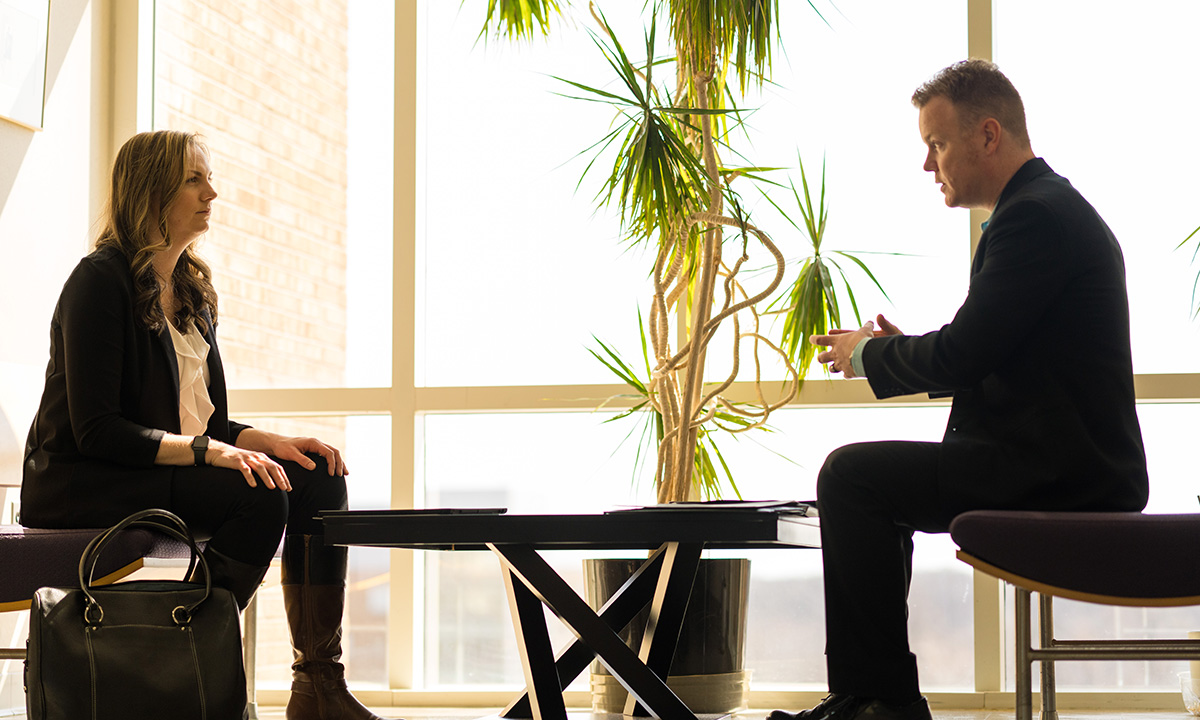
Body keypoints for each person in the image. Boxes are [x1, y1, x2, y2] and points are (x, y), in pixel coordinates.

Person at [769, 60, 1149, 720]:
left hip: (1059, 473)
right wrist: (900, 349)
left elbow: (967, 352)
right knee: (868, 482)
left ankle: (876, 702)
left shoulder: (1033, 220)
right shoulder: (1045, 210)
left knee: (854, 478)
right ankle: (876, 699)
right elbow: (992, 356)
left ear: (989, 135)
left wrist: (871, 356)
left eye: (936, 144)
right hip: (1060, 461)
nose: (927, 165)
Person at [21, 130, 395, 720]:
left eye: (207, 178)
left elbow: (205, 422)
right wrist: (210, 453)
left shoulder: (191, 290)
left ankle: (316, 684)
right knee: (258, 496)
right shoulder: (98, 282)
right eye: (194, 179)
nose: (211, 192)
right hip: (86, 479)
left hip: (150, 468)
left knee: (316, 478)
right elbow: (97, 430)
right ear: (151, 191)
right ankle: (181, 660)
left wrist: (259, 441)